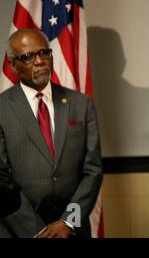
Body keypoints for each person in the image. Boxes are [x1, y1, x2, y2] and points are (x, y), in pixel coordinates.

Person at [0, 28, 103, 238]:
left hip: (72, 232)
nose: (39, 61)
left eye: (44, 53)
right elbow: (1, 179)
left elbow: (92, 171)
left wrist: (67, 221)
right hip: (18, 231)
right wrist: (38, 231)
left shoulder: (81, 104)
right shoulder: (2, 108)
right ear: (12, 65)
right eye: (28, 56)